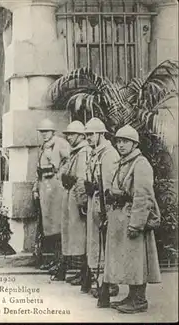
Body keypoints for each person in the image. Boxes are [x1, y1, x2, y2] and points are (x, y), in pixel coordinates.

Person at [101, 125, 161, 312]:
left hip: (132, 218)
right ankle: (131, 296)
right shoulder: (123, 162)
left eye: (125, 141)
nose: (121, 145)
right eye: (118, 141)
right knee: (127, 259)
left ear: (134, 143)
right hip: (121, 217)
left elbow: (143, 197)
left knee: (136, 260)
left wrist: (136, 224)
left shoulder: (140, 163)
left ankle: (140, 299)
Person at [83, 117, 120, 305]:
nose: (88, 138)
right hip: (94, 202)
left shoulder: (109, 154)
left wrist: (104, 209)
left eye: (90, 134)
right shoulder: (95, 153)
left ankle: (109, 283)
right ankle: (98, 280)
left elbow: (108, 185)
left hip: (103, 205)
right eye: (86, 134)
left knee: (105, 244)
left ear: (100, 134)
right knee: (95, 243)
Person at [52, 121, 91, 282]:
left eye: (72, 134)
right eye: (68, 134)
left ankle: (85, 273)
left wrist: (82, 203)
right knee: (73, 234)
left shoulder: (83, 152)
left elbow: (81, 178)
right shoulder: (75, 152)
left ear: (82, 136)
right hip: (70, 194)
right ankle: (81, 272)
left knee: (80, 236)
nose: (69, 137)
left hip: (76, 196)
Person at [32, 118, 71, 274]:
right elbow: (38, 171)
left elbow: (69, 161)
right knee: (47, 227)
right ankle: (53, 260)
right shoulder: (42, 147)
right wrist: (36, 188)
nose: (44, 134)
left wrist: (59, 175)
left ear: (53, 132)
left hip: (56, 188)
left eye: (46, 131)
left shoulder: (60, 143)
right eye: (42, 132)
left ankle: (61, 261)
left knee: (58, 226)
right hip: (44, 187)